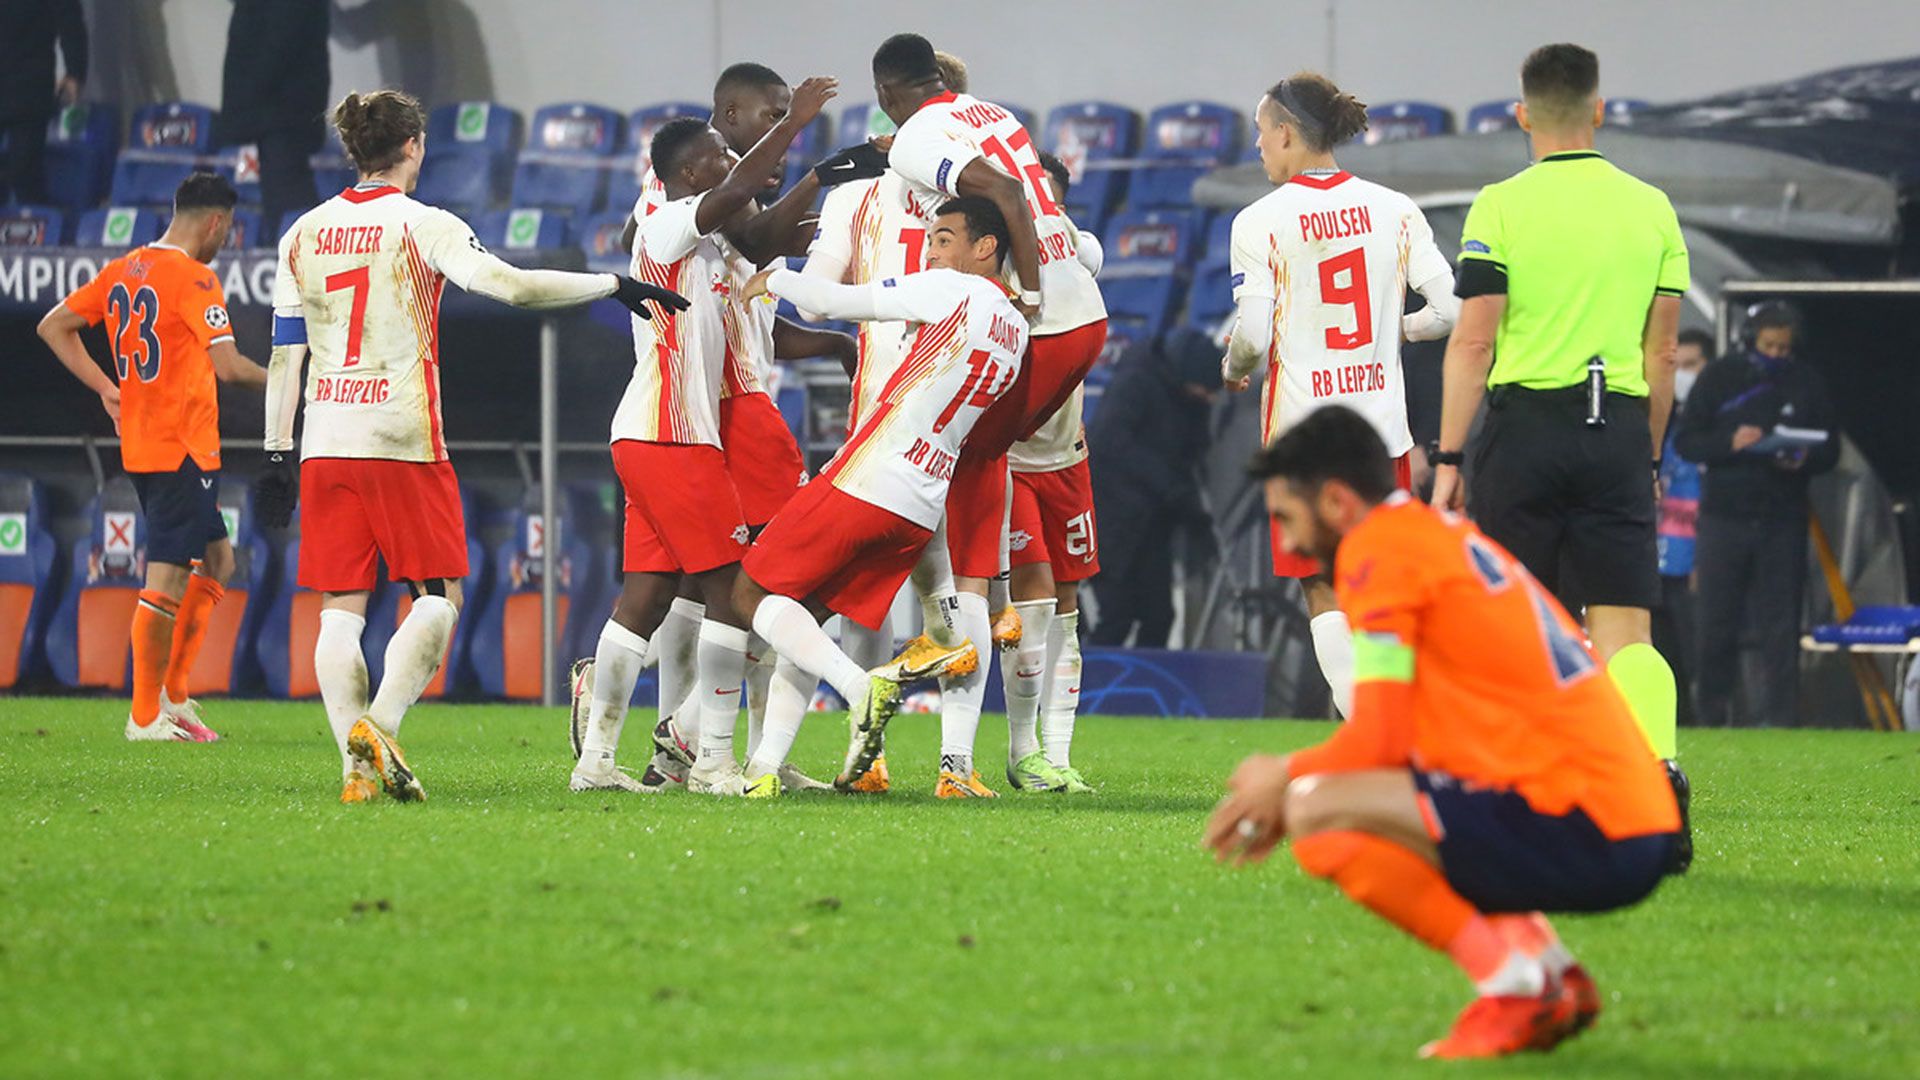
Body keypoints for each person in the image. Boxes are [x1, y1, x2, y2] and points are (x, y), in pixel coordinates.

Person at [1204, 405, 1682, 1060]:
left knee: (1315, 811)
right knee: (1374, 799)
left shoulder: (1378, 554)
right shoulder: (1435, 535)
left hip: (1591, 821)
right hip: (1628, 816)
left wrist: (1282, 775)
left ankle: (1513, 985)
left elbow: (1378, 738)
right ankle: (1550, 974)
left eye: (1287, 518)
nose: (1287, 543)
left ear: (1337, 502)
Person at [255, 90, 688, 804]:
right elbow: (511, 287)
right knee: (439, 596)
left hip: (324, 438)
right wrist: (610, 284)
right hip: (400, 436)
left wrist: (276, 450)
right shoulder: (423, 223)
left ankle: (356, 771)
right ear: (414, 146)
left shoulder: (302, 232)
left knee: (340, 607)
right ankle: (381, 726)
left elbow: (285, 352)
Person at [1430, 43, 1692, 865]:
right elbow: (1662, 355)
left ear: (1522, 115)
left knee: (1519, 628)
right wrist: (1647, 457)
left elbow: (1474, 343)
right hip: (1616, 426)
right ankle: (1656, 785)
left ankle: (1525, 803)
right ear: (1599, 111)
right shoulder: (1652, 208)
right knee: (1626, 629)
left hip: (1525, 431)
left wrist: (1449, 459)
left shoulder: (1500, 206)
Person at [584, 62, 865, 796]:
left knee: (648, 598)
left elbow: (760, 237)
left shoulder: (709, 241)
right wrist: (797, 126)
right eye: (720, 153)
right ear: (690, 170)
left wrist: (822, 188)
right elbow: (738, 199)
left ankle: (598, 761)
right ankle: (707, 755)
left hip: (666, 432)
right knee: (738, 591)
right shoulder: (668, 221)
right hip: (674, 434)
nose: (733, 164)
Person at [871, 32, 1108, 795]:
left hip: (1049, 369)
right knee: (987, 520)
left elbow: (1004, 197)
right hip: (1073, 337)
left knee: (952, 472)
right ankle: (980, 650)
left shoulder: (921, 144)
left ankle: (958, 629)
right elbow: (1022, 199)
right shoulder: (994, 116)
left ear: (888, 95)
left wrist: (1028, 292)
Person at [732, 195, 1027, 796]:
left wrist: (773, 280)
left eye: (944, 238)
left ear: (985, 247)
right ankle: (762, 770)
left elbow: (832, 303)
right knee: (804, 620)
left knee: (750, 594)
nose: (931, 251)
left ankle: (860, 686)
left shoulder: (953, 290)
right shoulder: (1016, 329)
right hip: (922, 502)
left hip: (869, 478)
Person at [1222, 72, 1459, 717]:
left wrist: (1235, 366)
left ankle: (1367, 729)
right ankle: (1397, 724)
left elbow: (1251, 333)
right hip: (1381, 437)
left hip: (1303, 439)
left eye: (1262, 133)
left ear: (1287, 133)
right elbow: (1450, 309)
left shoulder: (1259, 221)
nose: (1258, 146)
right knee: (1380, 591)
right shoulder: (1396, 208)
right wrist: (1397, 330)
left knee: (1324, 590)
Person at [37, 172, 266, 742]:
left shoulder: (125, 268)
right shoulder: (195, 278)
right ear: (215, 223)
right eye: (227, 231)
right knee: (165, 581)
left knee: (218, 562)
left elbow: (53, 326)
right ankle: (144, 715)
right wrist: (294, 381)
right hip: (179, 449)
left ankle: (175, 696)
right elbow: (230, 366)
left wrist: (105, 387)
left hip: (149, 446)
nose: (224, 241)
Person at [1674, 302, 1839, 727]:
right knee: (1716, 621)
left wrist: (1801, 456)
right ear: (1750, 341)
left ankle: (1781, 719)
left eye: (1784, 348)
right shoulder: (1719, 377)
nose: (1777, 354)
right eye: (1769, 346)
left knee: (1780, 625)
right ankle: (1712, 716)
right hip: (1724, 517)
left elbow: (1830, 449)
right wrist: (1730, 442)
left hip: (1781, 518)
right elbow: (1688, 441)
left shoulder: (1805, 381)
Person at [1000, 151, 1106, 793]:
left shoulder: (1070, 256)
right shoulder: (996, 269)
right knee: (1035, 601)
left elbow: (1089, 250)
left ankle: (1059, 757)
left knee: (1067, 607)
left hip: (1068, 460)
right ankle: (1023, 751)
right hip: (1012, 463)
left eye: (1055, 202)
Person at [1087, 328, 1223, 649]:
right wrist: (1172, 488)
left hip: (1154, 521)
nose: (1209, 398)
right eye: (1206, 389)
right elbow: (1108, 443)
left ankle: (1147, 682)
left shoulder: (1188, 397)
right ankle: (1093, 680)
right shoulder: (1136, 382)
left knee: (1159, 616)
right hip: (1113, 518)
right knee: (1116, 615)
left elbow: (1192, 448)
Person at [216, 0, 328, 232]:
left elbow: (278, 45)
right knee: (282, 203)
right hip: (273, 115)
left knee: (291, 203)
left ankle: (313, 251)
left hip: (281, 114)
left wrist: (246, 95)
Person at [1652, 328, 1714, 726]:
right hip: (1656, 559)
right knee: (1662, 652)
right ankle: (1678, 722)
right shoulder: (1658, 420)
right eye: (1678, 365)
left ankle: (1711, 720)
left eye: (1692, 365)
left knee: (1700, 653)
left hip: (1696, 559)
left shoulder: (1715, 428)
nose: (1683, 376)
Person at [0, 0, 87, 205]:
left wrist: (75, 71)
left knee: (24, 172)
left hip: (30, 89)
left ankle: (36, 220)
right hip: (25, 85)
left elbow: (69, 19)